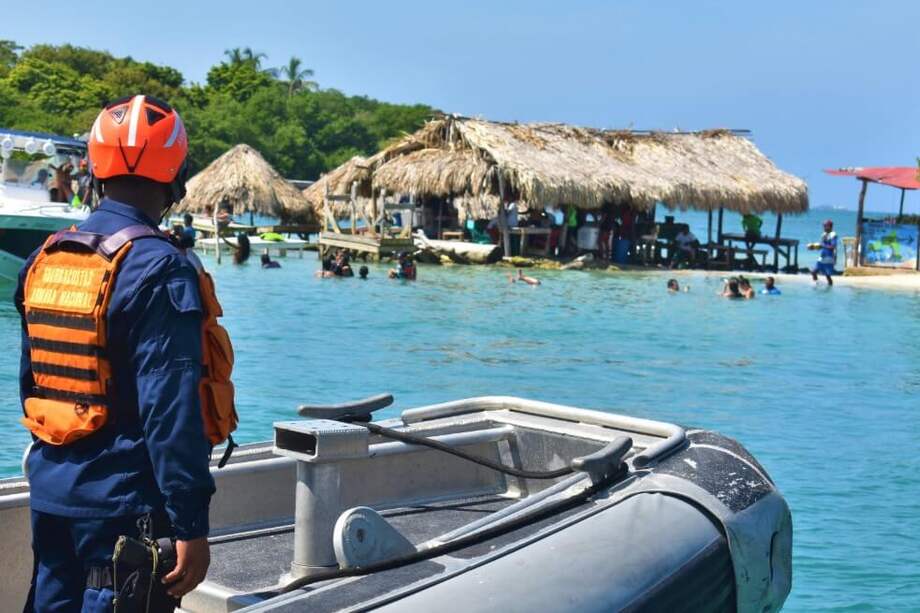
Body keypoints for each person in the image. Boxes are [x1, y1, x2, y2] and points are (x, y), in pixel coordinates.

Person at [16, 95, 234, 611]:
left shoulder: (45, 258)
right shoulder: (161, 267)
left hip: (51, 496)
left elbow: (35, 385)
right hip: (124, 507)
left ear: (96, 163)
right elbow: (170, 410)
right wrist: (190, 524)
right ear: (176, 170)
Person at [809, 219, 838, 285]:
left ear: (830, 227)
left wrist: (822, 245)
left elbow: (833, 247)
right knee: (813, 272)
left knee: (827, 276)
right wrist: (813, 247)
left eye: (825, 226)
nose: (824, 227)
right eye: (823, 226)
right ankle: (816, 284)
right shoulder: (824, 235)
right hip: (822, 256)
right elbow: (821, 246)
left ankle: (830, 288)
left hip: (829, 258)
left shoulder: (833, 235)